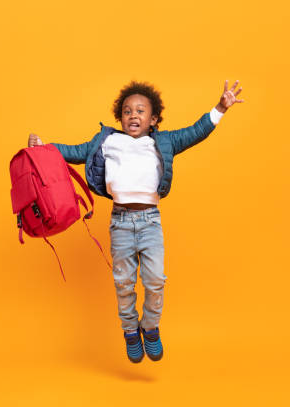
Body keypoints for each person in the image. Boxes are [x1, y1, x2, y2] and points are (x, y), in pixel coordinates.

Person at [27, 80, 244, 363]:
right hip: (120, 224)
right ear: (120, 117)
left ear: (153, 119)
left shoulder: (163, 142)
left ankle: (150, 327)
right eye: (127, 111)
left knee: (155, 281)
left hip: (150, 222)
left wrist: (221, 107)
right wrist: (42, 148)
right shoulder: (107, 142)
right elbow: (72, 151)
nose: (133, 116)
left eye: (141, 111)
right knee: (124, 284)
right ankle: (130, 331)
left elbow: (195, 132)